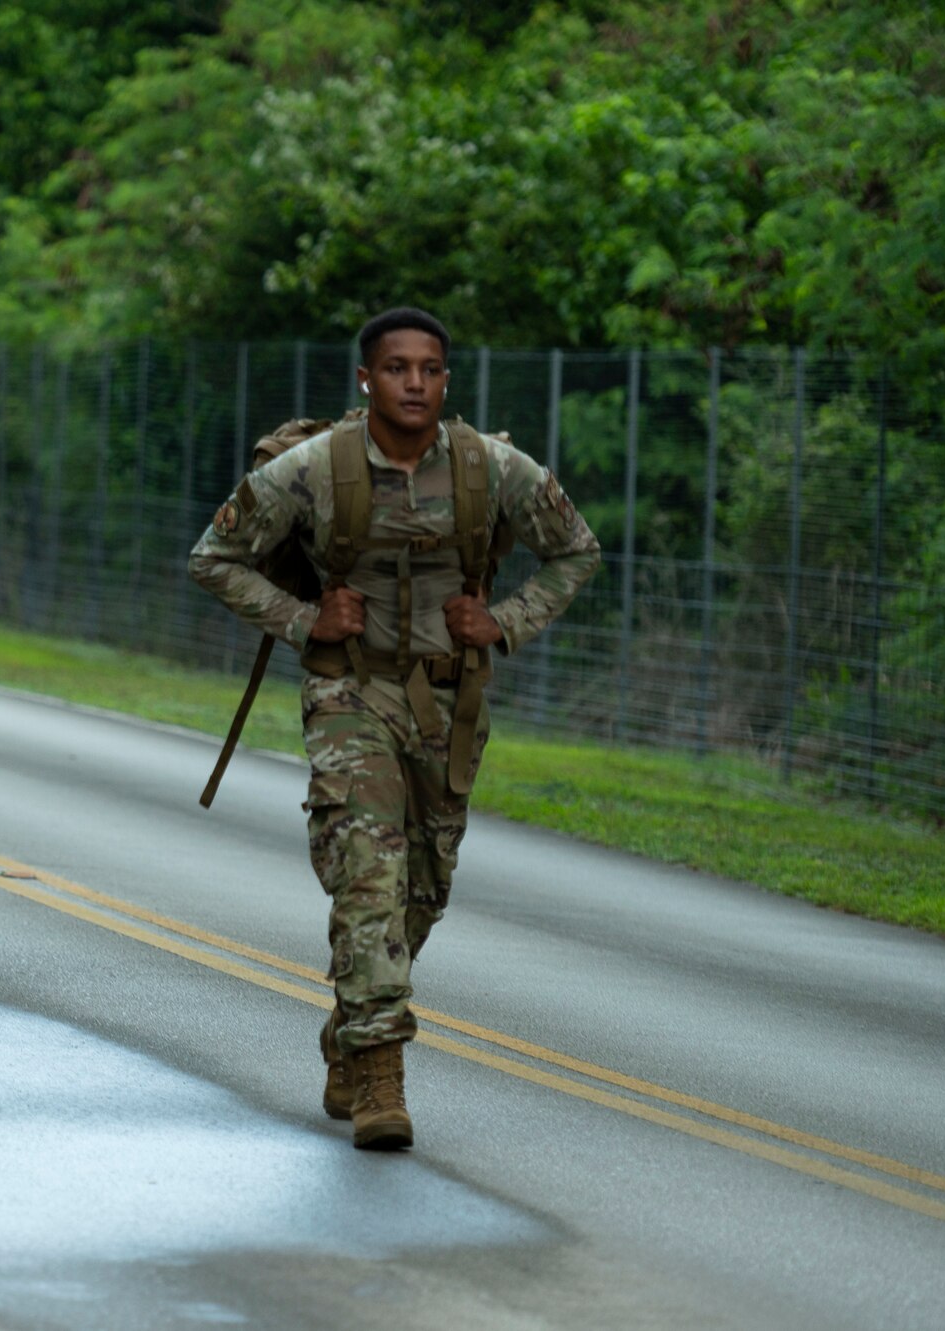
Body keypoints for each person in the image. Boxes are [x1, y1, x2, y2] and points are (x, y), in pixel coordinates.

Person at [189, 307, 601, 1150]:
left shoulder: (492, 468)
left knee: (422, 890)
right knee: (367, 878)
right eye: (398, 368)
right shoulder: (315, 469)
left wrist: (507, 621)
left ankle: (351, 1025)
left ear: (446, 381)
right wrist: (307, 619)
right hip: (351, 697)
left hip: (451, 706)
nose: (415, 382)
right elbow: (213, 557)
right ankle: (380, 1076)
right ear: (366, 379)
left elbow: (576, 550)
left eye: (431, 369)